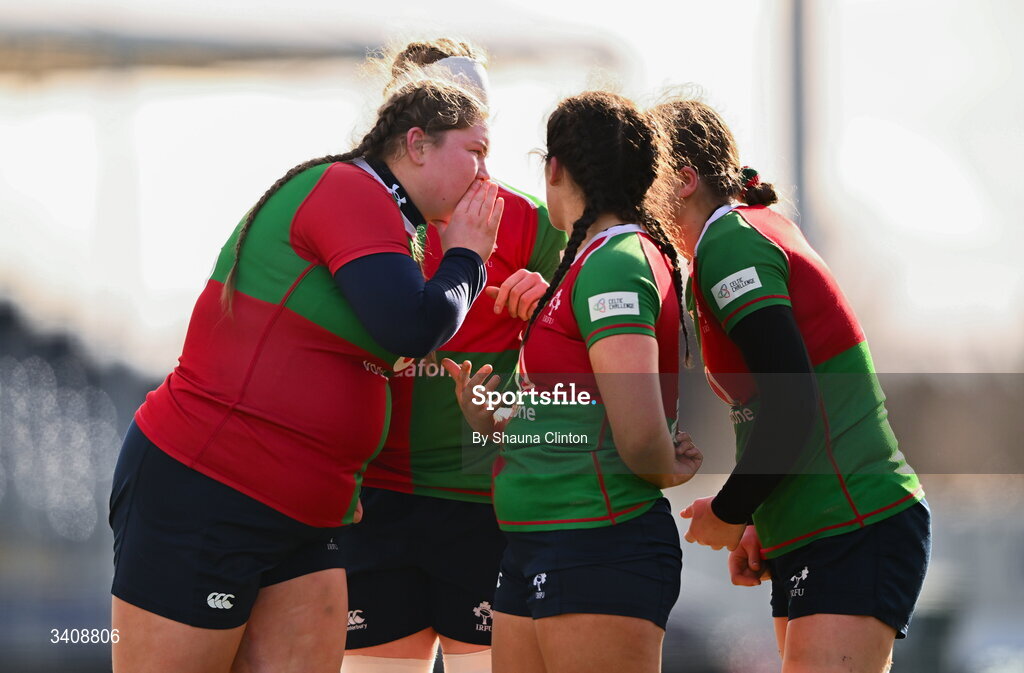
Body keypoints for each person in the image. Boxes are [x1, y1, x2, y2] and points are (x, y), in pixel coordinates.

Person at [107, 75, 504, 673]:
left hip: (309, 513)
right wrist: (469, 255)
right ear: (417, 144)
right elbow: (410, 326)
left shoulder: (397, 223)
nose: (484, 175)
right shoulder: (349, 189)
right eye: (474, 152)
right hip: (208, 488)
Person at [660, 98, 930, 673]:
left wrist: (732, 510)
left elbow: (793, 402)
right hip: (816, 528)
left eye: (641, 179)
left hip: (854, 523)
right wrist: (764, 515)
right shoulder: (730, 240)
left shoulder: (729, 243)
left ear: (683, 181)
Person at [444, 91, 702, 673]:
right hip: (537, 540)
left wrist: (665, 465)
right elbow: (581, 411)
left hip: (597, 541)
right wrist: (497, 420)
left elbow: (636, 435)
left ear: (554, 167)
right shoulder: (583, 261)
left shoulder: (617, 260)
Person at [339, 39, 567, 673]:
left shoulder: (529, 223)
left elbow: (593, 350)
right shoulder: (363, 218)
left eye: (481, 127)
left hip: (480, 498)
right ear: (412, 135)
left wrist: (550, 297)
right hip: (376, 497)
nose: (478, 152)